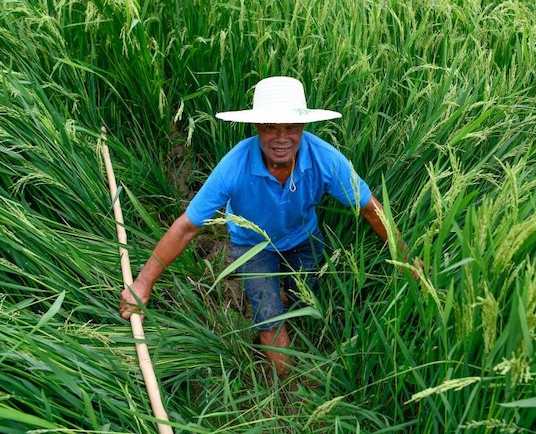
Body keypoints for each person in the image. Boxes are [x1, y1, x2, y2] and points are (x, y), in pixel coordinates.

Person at [119, 76, 401, 378]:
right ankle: (288, 395)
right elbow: (186, 228)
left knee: (307, 298)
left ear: (304, 126)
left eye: (291, 127)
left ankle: (285, 299)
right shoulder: (234, 165)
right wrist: (142, 284)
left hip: (303, 235)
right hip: (252, 244)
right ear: (256, 127)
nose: (281, 138)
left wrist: (406, 258)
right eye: (270, 126)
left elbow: (371, 209)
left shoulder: (325, 160)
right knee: (270, 323)